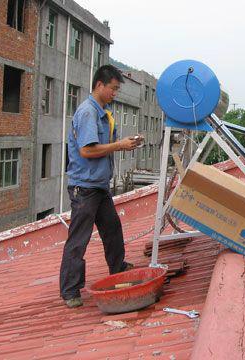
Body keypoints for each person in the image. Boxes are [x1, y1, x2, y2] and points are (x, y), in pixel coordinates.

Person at [60, 65, 143, 308]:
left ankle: (118, 269)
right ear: (99, 85)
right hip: (84, 188)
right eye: (113, 89)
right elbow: (87, 150)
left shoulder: (102, 112)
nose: (115, 93)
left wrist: (126, 144)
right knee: (79, 239)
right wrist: (120, 145)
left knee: (112, 229)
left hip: (98, 185)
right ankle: (70, 290)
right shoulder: (88, 112)